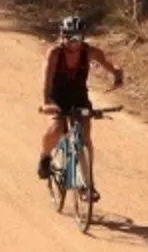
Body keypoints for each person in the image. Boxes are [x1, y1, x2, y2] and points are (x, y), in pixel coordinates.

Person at [39, 15, 123, 192]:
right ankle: (45, 157)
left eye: (76, 37)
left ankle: (88, 184)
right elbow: (46, 79)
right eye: (68, 37)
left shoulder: (90, 52)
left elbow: (110, 66)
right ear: (62, 36)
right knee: (55, 129)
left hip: (79, 97)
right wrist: (47, 102)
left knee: (84, 140)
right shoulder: (55, 53)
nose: (72, 42)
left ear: (83, 38)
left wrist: (117, 75)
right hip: (58, 97)